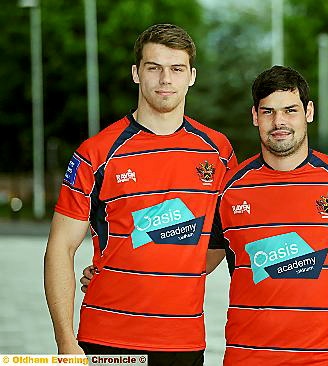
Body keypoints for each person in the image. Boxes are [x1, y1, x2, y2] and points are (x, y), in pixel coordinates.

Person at [44, 23, 237, 366]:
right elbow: (61, 247)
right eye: (154, 67)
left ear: (191, 76)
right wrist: (66, 342)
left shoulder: (218, 152)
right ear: (136, 73)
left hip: (183, 340)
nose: (166, 79)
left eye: (176, 69)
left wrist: (174, 269)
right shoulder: (97, 153)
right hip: (106, 338)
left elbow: (228, 235)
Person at [206, 65, 328, 365]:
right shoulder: (228, 190)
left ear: (309, 112)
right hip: (248, 358)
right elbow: (187, 265)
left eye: (290, 110)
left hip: (326, 359)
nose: (279, 122)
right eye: (268, 111)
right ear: (255, 116)